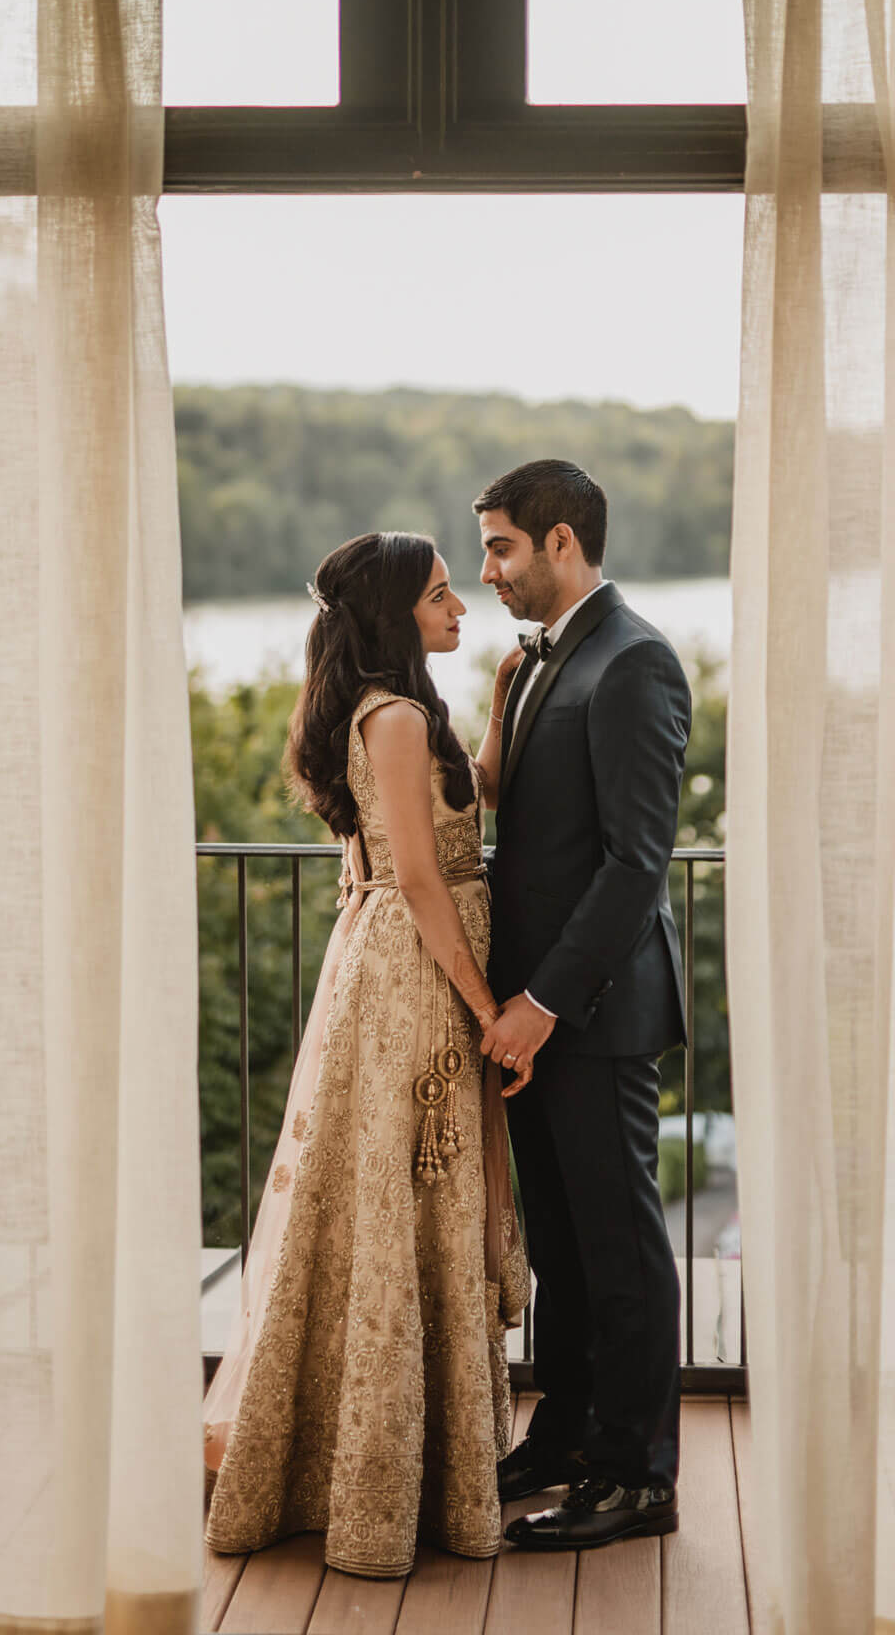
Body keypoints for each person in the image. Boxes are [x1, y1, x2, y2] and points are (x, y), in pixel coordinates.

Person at [203, 531, 530, 1579]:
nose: (460, 608)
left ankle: (426, 1461)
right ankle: (381, 1478)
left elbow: (468, 797)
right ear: (399, 614)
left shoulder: (411, 711)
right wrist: (485, 1005)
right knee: (407, 1188)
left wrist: (497, 703)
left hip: (418, 959)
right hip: (413, 974)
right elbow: (423, 881)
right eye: (443, 595)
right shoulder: (387, 717)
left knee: (423, 1194)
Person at [471, 459, 691, 1550]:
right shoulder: (529, 665)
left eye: (502, 546)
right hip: (527, 1013)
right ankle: (564, 1434)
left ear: (563, 542)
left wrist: (541, 1001)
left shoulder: (636, 658)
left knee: (619, 1246)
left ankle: (637, 1474)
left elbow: (632, 866)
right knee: (559, 1241)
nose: (488, 570)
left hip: (591, 1012)